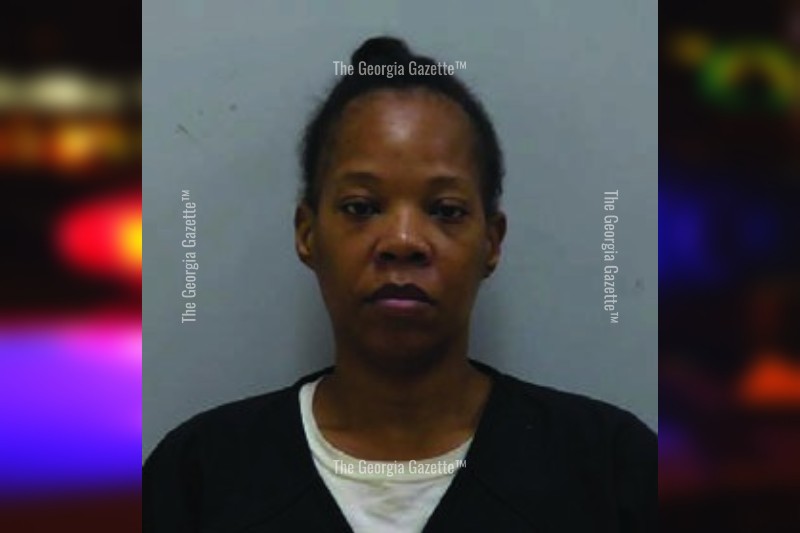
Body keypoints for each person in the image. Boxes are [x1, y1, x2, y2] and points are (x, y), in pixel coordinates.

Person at [144, 36, 657, 532]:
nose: (404, 241)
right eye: (361, 207)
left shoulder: (613, 471)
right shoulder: (198, 478)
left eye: (446, 210)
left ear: (492, 242)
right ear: (307, 233)